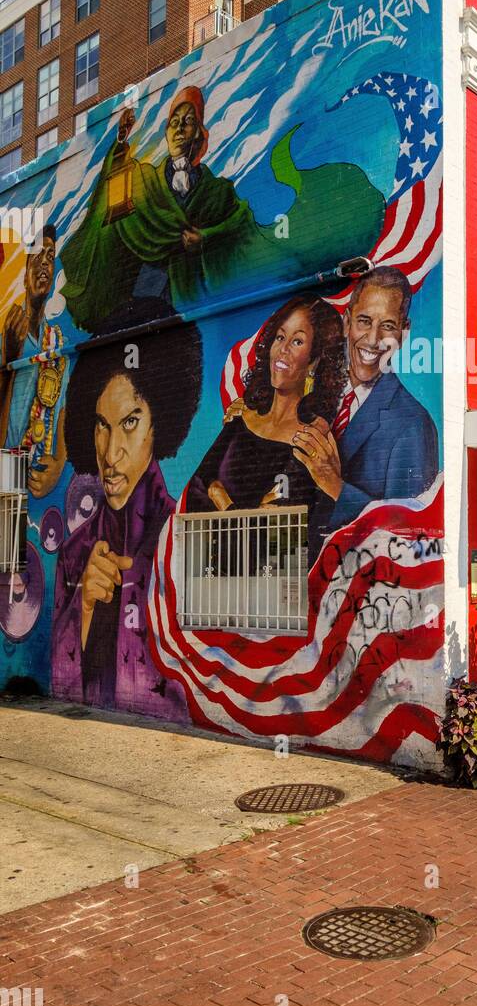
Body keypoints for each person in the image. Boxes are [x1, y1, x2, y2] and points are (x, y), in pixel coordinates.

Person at [51, 299, 202, 716]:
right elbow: (60, 689)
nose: (111, 452)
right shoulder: (72, 555)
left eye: (130, 422)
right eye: (102, 425)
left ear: (160, 423)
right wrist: (82, 608)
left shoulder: (182, 540)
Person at [61, 90, 263, 331]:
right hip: (145, 297)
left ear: (199, 132)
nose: (178, 129)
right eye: (173, 123)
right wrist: (121, 142)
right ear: (166, 133)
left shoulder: (216, 191)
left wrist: (206, 238)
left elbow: (240, 225)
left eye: (188, 122)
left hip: (193, 298)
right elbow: (113, 185)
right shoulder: (145, 181)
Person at [293, 267, 440, 560]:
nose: (373, 339)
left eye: (387, 326)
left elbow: (406, 534)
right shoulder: (311, 404)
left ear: (404, 332)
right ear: (347, 322)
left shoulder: (413, 425)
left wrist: (334, 484)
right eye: (364, 321)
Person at [186, 295, 345, 513]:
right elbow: (198, 484)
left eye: (297, 341)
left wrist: (221, 497)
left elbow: (281, 524)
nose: (283, 349)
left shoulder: (312, 440)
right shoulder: (242, 417)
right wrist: (224, 499)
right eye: (280, 337)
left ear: (314, 361)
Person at [0, 225, 67, 498]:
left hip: (37, 465)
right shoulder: (8, 333)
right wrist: (10, 362)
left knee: (22, 532)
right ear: (25, 272)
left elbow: (64, 405)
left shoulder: (56, 340)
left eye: (50, 257)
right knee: (10, 525)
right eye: (37, 255)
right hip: (8, 459)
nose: (44, 264)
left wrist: (60, 459)